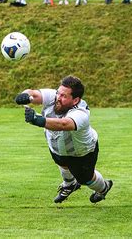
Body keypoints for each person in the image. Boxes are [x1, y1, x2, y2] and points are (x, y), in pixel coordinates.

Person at [15, 75, 113, 204]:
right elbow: (34, 94)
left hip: (81, 153)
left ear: (75, 100)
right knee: (62, 162)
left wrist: (37, 120)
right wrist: (25, 95)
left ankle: (104, 188)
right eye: (58, 93)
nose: (58, 98)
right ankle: (69, 185)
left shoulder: (81, 113)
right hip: (58, 146)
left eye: (64, 96)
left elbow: (64, 124)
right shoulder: (55, 96)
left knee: (86, 179)